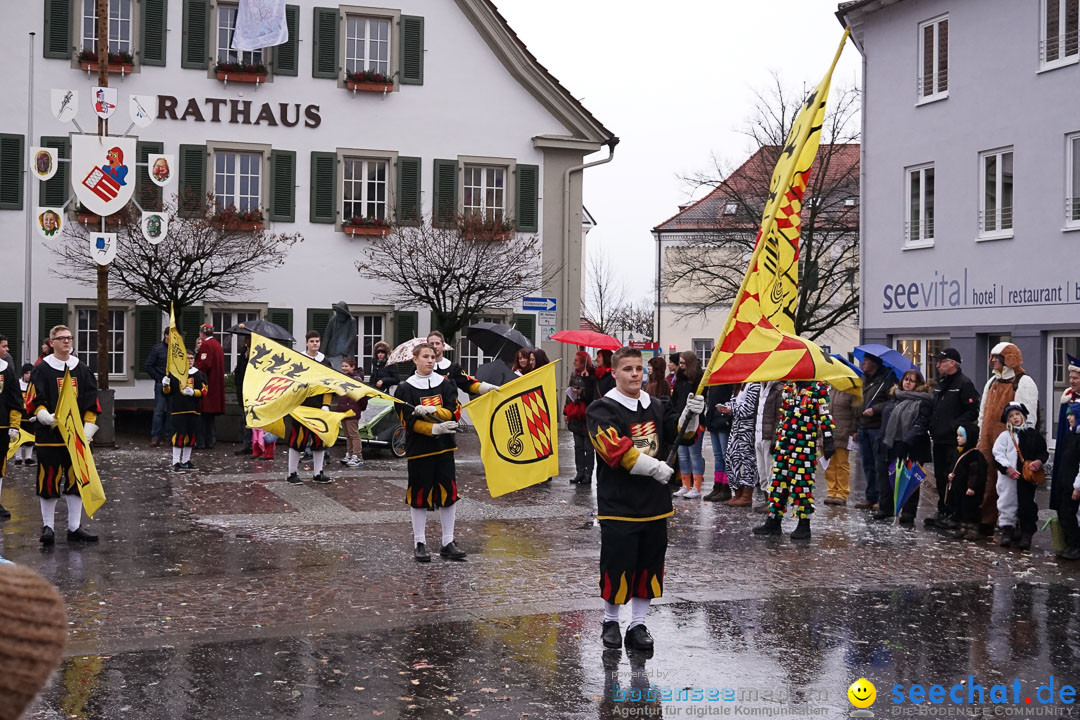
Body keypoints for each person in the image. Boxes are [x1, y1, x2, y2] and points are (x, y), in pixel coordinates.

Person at [587, 347, 703, 653]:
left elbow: (682, 433)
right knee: (617, 565)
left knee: (649, 566)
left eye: (639, 368)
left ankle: (637, 624)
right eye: (628, 369)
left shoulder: (656, 404)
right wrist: (656, 468)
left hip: (654, 505)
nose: (635, 374)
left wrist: (693, 415)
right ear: (614, 372)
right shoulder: (601, 409)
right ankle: (611, 620)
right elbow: (617, 451)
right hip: (619, 505)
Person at [394, 342, 466, 563]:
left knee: (448, 494)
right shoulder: (405, 389)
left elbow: (455, 411)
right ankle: (420, 542)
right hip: (420, 451)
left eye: (433, 357)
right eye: (425, 356)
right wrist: (433, 428)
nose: (430, 360)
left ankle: (448, 541)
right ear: (414, 359)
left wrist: (436, 411)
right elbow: (408, 421)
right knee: (419, 496)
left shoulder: (445, 385)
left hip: (444, 448)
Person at [28, 325, 100, 545]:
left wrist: (88, 429)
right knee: (48, 479)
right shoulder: (42, 369)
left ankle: (74, 527)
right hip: (49, 436)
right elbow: (33, 400)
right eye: (61, 339)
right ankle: (48, 526)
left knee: (75, 481)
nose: (67, 342)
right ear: (52, 343)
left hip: (75, 437)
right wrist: (44, 416)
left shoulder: (82, 369)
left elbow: (91, 401)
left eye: (69, 338)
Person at [753, 381, 835, 540]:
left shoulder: (818, 389)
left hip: (804, 445)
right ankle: (774, 521)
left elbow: (825, 416)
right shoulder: (789, 388)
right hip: (784, 443)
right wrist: (778, 437)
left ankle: (804, 524)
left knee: (801, 485)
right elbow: (783, 415)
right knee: (777, 483)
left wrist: (828, 439)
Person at [976, 343, 1038, 534]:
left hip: (1011, 443)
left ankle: (1011, 524)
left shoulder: (1023, 382)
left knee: (1010, 485)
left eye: (997, 357)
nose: (993, 360)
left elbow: (1027, 418)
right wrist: (981, 437)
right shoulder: (992, 382)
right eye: (992, 357)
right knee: (986, 478)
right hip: (988, 439)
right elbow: (982, 412)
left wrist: (1023, 444)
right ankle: (987, 520)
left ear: (1008, 359)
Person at [927, 348, 980, 528]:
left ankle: (954, 513)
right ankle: (943, 510)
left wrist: (955, 425)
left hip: (953, 440)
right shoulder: (941, 382)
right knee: (940, 477)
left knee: (953, 477)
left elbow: (973, 410)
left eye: (942, 361)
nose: (938, 365)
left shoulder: (964, 384)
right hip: (939, 438)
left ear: (953, 363)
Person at [873, 369, 933, 526]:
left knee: (909, 479)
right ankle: (886, 507)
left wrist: (907, 442)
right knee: (886, 476)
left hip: (911, 446)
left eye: (912, 380)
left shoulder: (923, 401)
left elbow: (920, 424)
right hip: (889, 443)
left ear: (918, 384)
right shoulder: (895, 397)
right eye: (906, 379)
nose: (907, 382)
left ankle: (908, 512)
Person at [992, 402, 1047, 550]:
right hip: (1009, 479)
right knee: (1006, 503)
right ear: (1007, 420)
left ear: (1022, 416)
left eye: (1017, 414)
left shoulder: (1032, 434)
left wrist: (1038, 462)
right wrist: (1007, 468)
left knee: (1027, 505)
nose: (1015, 418)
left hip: (1027, 479)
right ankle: (1007, 530)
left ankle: (1026, 534)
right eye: (1011, 416)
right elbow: (997, 454)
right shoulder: (1004, 437)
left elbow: (1043, 452)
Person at [286, 331, 334, 485]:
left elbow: (329, 385)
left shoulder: (325, 362)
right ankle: (291, 473)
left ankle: (318, 473)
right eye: (312, 341)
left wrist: (326, 404)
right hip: (301, 407)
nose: (315, 344)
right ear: (306, 343)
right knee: (297, 440)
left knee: (319, 441)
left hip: (319, 408)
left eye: (317, 341)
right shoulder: (299, 359)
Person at [855, 353, 896, 510]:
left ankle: (882, 498)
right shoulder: (864, 379)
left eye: (866, 360)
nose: (863, 363)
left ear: (875, 363)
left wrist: (875, 409)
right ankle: (870, 496)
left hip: (877, 428)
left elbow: (892, 402)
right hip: (863, 427)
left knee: (880, 465)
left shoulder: (887, 380)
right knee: (867, 464)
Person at [1052, 357, 1080, 559]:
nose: (1071, 380)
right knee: (1064, 507)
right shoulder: (1068, 397)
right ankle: (1069, 543)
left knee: (1072, 510)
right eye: (1070, 376)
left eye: (1075, 377)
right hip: (1066, 460)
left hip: (1076, 470)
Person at [162, 351, 206, 472]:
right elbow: (167, 393)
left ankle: (186, 461)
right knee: (179, 435)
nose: (190, 361)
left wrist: (195, 393)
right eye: (187, 359)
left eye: (192, 358)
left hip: (194, 410)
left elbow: (204, 390)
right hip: (179, 410)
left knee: (192, 436)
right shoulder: (175, 374)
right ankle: (175, 462)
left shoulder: (198, 374)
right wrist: (165, 385)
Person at [720, 382, 760, 507]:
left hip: (747, 428)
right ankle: (737, 492)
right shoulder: (739, 385)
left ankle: (747, 495)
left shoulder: (754, 386)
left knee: (747, 461)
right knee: (731, 458)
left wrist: (732, 409)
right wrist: (726, 407)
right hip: (736, 426)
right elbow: (733, 402)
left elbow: (748, 409)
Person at [672, 351, 706, 499]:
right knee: (683, 455)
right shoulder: (680, 377)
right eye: (680, 363)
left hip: (696, 420)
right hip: (680, 418)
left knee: (694, 453)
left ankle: (696, 487)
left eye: (683, 363)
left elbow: (703, 398)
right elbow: (675, 398)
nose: (681, 366)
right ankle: (685, 485)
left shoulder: (699, 377)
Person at [425, 331, 497, 397]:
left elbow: (468, 384)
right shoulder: (420, 367)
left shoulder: (453, 368)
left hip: (449, 408)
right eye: (431, 344)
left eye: (437, 343)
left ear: (443, 346)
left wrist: (486, 388)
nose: (434, 346)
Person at [946, 424, 987, 542]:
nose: (957, 438)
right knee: (961, 507)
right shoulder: (957, 451)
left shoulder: (974, 455)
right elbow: (952, 466)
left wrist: (972, 486)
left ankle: (972, 529)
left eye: (961, 436)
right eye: (957, 435)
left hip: (969, 489)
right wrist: (950, 475)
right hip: (959, 487)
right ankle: (963, 526)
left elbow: (976, 473)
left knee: (971, 509)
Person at [564, 351, 596, 485]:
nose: (574, 362)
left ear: (583, 362)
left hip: (587, 416)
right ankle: (580, 472)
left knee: (588, 448)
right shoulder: (574, 375)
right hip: (575, 414)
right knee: (578, 446)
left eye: (577, 360)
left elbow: (591, 395)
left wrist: (582, 392)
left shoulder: (592, 376)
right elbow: (569, 393)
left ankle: (588, 474)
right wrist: (565, 412)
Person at [824, 383, 858, 505]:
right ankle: (831, 491)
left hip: (843, 432)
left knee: (842, 464)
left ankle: (842, 493)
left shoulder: (851, 392)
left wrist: (853, 430)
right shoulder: (826, 390)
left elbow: (855, 414)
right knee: (829, 464)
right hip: (826, 433)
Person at [753, 381, 783, 511]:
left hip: (769, 436)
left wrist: (775, 439)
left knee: (770, 470)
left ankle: (773, 501)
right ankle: (767, 499)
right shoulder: (760, 388)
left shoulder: (778, 390)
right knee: (762, 471)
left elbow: (779, 417)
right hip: (759, 435)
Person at [702, 383, 735, 502]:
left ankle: (726, 487)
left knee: (725, 455)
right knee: (717, 455)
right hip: (713, 418)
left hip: (722, 418)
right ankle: (717, 485)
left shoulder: (727, 378)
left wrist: (727, 417)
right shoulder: (714, 379)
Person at [194, 324, 225, 449]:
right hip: (216, 385)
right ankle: (210, 440)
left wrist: (194, 369)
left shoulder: (206, 345)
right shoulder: (217, 345)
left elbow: (204, 364)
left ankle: (201, 442)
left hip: (207, 384)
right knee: (210, 417)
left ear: (202, 333)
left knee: (202, 415)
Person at [0, 341, 20, 521]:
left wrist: (14, 424)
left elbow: (15, 398)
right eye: (4, 346)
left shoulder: (7, 369)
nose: (7, 349)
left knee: (0, 465)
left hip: (1, 425)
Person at [144, 328, 172, 447]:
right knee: (159, 411)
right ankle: (155, 436)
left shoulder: (177, 349)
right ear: (166, 335)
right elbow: (148, 365)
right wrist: (159, 378)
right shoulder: (157, 349)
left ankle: (171, 436)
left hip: (173, 383)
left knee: (172, 411)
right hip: (161, 382)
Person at [337, 356, 367, 468]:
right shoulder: (343, 378)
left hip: (352, 410)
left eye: (346, 366)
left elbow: (363, 396)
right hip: (344, 410)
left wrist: (361, 408)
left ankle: (357, 456)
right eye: (343, 366)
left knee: (354, 434)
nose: (344, 368)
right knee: (348, 434)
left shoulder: (356, 379)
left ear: (352, 367)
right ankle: (349, 453)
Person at [233, 336, 252, 455]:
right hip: (243, 390)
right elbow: (239, 370)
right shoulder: (243, 352)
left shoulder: (256, 353)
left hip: (252, 391)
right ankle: (247, 444)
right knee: (245, 419)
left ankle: (253, 444)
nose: (245, 341)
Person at [15, 363, 35, 467]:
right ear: (23, 374)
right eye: (27, 373)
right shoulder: (17, 385)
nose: (29, 375)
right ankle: (18, 458)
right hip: (19, 415)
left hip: (29, 415)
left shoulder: (34, 386)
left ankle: (28, 457)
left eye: (31, 373)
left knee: (30, 438)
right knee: (17, 438)